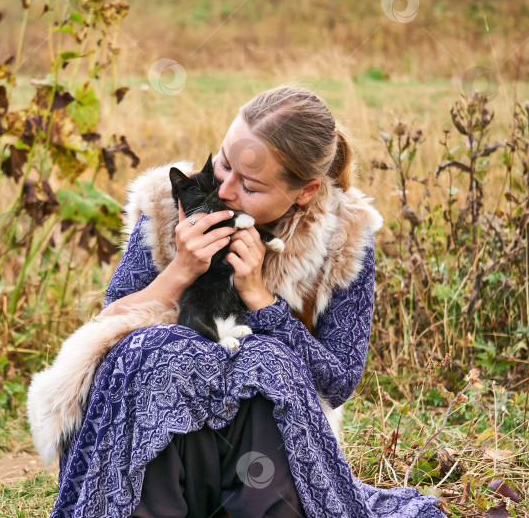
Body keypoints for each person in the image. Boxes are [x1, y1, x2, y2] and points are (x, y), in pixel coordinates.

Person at [46, 86, 445, 517]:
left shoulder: (342, 237)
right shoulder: (172, 201)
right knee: (151, 351)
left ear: (305, 192)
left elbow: (338, 382)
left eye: (250, 185)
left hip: (268, 448)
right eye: (223, 162)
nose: (227, 189)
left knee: (265, 359)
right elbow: (111, 329)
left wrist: (261, 298)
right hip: (168, 431)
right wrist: (182, 269)